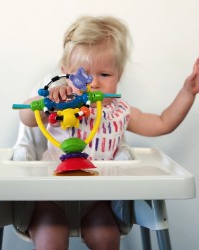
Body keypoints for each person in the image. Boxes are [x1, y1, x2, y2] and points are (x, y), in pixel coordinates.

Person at [15, 16, 199, 250]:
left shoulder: (119, 111)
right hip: (51, 196)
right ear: (66, 74)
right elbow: (26, 118)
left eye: (104, 75)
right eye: (84, 75)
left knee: (106, 238)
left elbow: (162, 123)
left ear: (118, 76)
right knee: (50, 239)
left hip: (97, 199)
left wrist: (188, 92)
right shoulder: (61, 103)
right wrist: (47, 100)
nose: (94, 84)